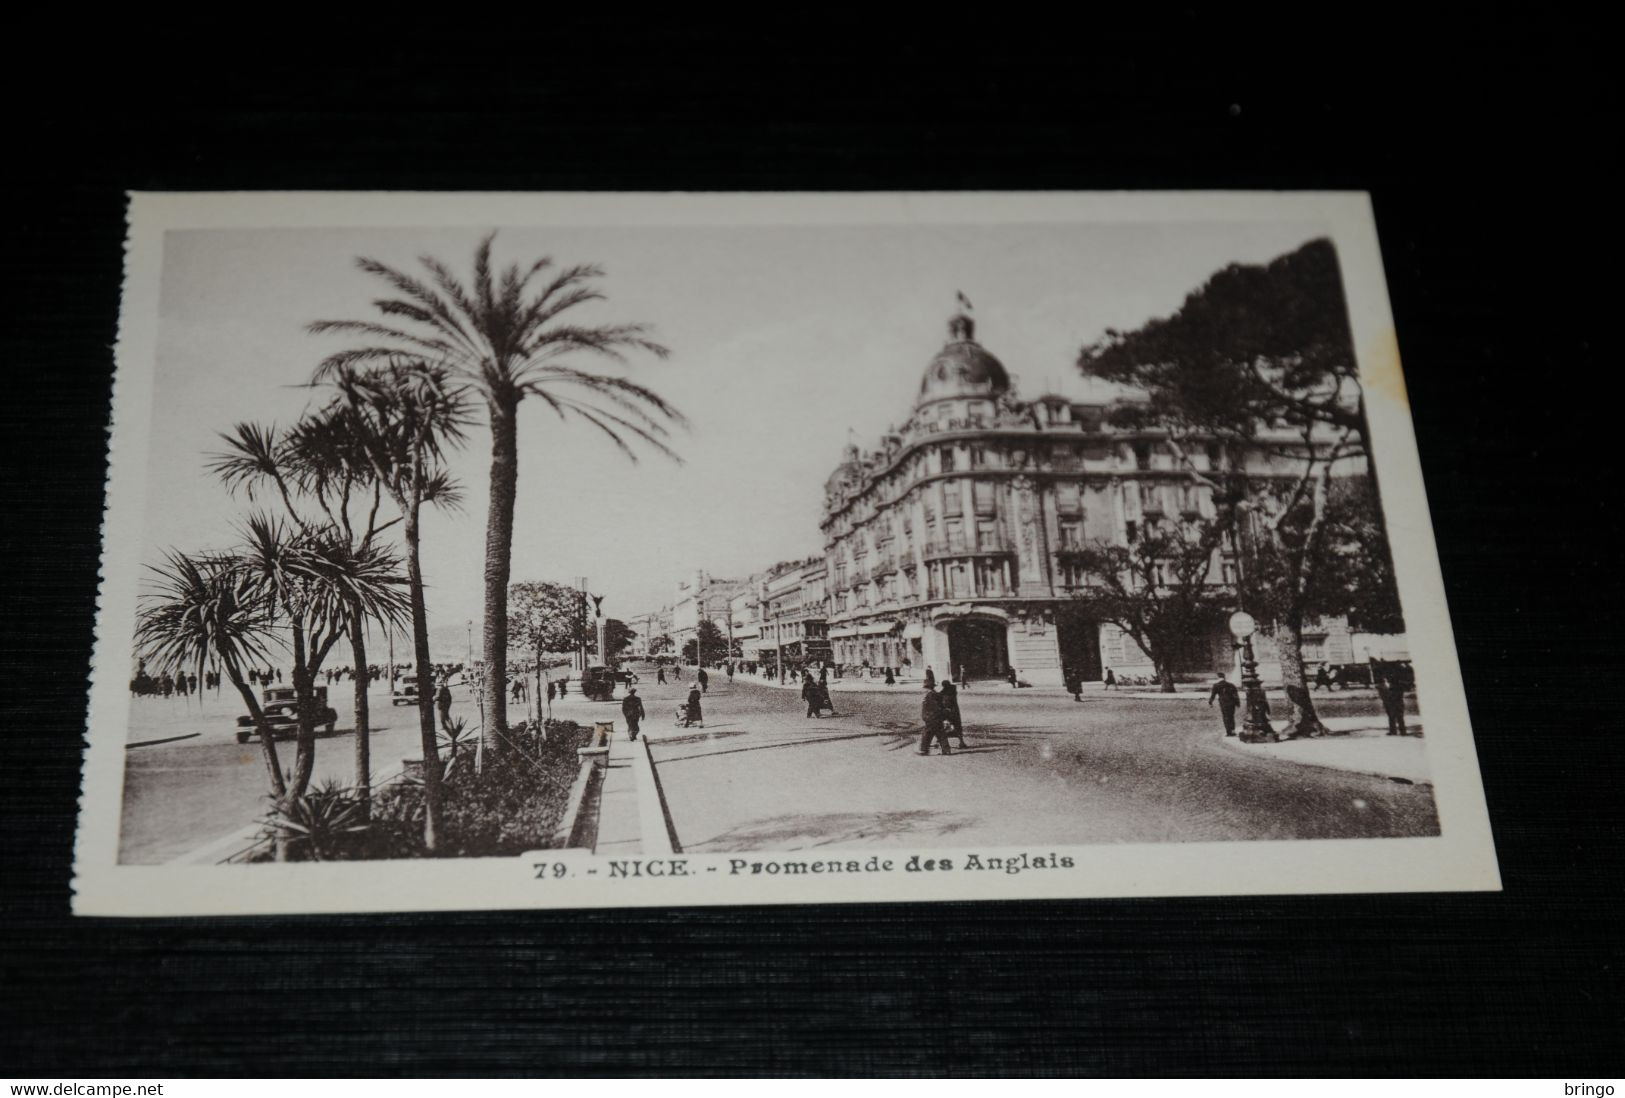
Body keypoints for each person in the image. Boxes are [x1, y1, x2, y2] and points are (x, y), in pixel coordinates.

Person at [918, 683, 952, 756]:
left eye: (925, 688)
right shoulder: (934, 694)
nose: (923, 690)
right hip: (935, 718)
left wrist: (928, 717)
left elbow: (936, 707)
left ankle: (923, 750)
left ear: (928, 688)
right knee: (940, 734)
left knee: (927, 734)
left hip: (932, 718)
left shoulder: (930, 695)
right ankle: (946, 750)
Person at [939, 678, 966, 748]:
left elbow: (945, 702)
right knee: (957, 727)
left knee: (944, 727)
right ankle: (961, 742)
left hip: (948, 712)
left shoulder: (944, 694)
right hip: (955, 712)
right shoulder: (953, 691)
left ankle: (944, 744)